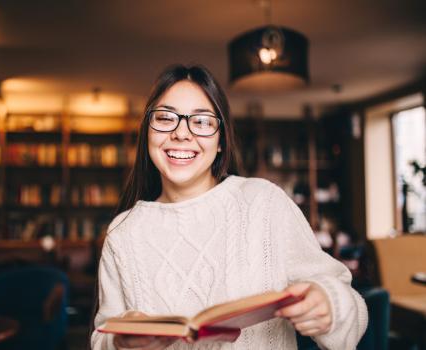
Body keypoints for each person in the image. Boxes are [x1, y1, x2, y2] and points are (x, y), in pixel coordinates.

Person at [90, 64, 368, 350]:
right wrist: (119, 341)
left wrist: (329, 305)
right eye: (165, 118)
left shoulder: (265, 204)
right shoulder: (124, 233)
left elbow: (352, 309)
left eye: (201, 121)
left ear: (221, 140)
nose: (181, 133)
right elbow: (102, 336)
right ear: (147, 131)